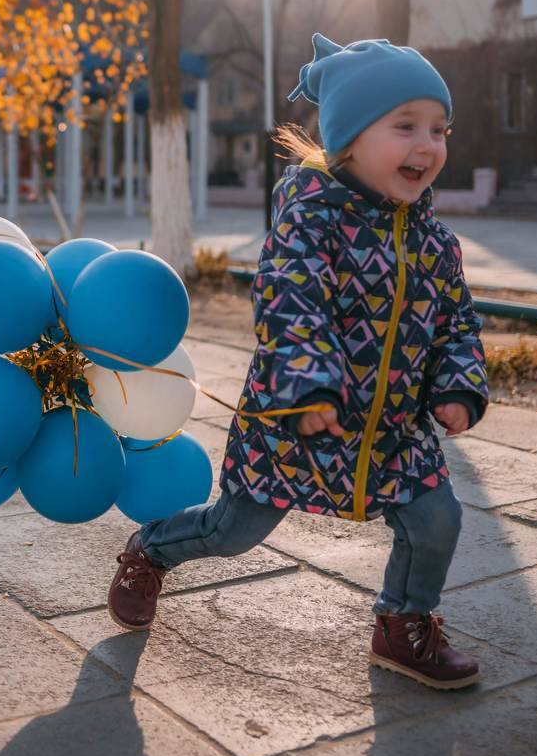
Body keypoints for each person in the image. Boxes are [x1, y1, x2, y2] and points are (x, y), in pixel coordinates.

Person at [107, 34, 491, 691]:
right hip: (296, 424)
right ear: (350, 140)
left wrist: (457, 384)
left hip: (394, 433)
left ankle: (403, 623)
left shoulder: (436, 244)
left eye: (439, 128)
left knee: (437, 520)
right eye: (405, 126)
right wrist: (308, 386)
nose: (427, 144)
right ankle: (151, 549)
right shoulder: (311, 220)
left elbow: (457, 322)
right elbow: (291, 302)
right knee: (233, 531)